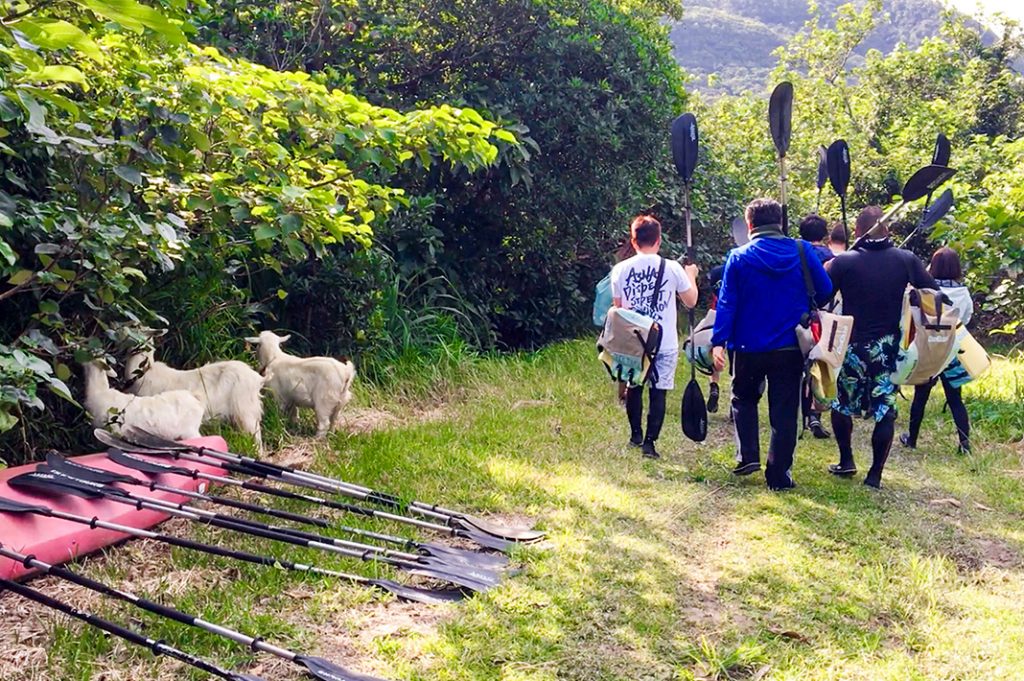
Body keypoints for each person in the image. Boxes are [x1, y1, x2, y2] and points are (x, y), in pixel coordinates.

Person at [711, 198, 832, 490]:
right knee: (785, 410)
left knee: (744, 399)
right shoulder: (803, 250)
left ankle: (748, 455)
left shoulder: (738, 257)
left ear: (750, 224)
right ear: (780, 222)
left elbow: (728, 302)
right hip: (790, 346)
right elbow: (825, 290)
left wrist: (718, 341)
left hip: (747, 346)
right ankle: (779, 475)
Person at [827, 206, 939, 488]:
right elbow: (933, 294)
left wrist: (830, 269)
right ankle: (874, 475)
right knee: (884, 408)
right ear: (888, 231)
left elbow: (820, 298)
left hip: (852, 344)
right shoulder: (905, 259)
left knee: (841, 403)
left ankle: (847, 459)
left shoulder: (845, 262)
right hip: (887, 348)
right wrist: (914, 297)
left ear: (856, 232)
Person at [611, 215, 699, 459]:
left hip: (633, 340)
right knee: (658, 391)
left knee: (634, 387)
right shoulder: (672, 268)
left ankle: (635, 435)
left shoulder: (620, 270)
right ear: (659, 240)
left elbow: (618, 308)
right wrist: (690, 274)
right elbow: (691, 301)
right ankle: (650, 444)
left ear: (633, 240)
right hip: (664, 340)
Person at [901, 247, 973, 454]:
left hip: (929, 350)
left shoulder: (924, 292)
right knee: (955, 398)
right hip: (952, 351)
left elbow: (912, 317)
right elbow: (966, 320)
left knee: (920, 396)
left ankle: (912, 438)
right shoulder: (964, 293)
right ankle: (964, 443)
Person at [797, 214, 834, 439]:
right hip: (825, 317)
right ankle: (815, 416)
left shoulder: (794, 252)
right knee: (819, 365)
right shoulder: (831, 257)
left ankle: (802, 415)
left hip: (800, 317)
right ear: (825, 234)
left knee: (801, 366)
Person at [705, 263, 726, 413]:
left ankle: (714, 386)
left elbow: (713, 293)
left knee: (714, 356)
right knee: (736, 363)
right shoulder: (744, 267)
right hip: (738, 318)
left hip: (717, 316)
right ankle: (733, 403)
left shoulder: (716, 272)